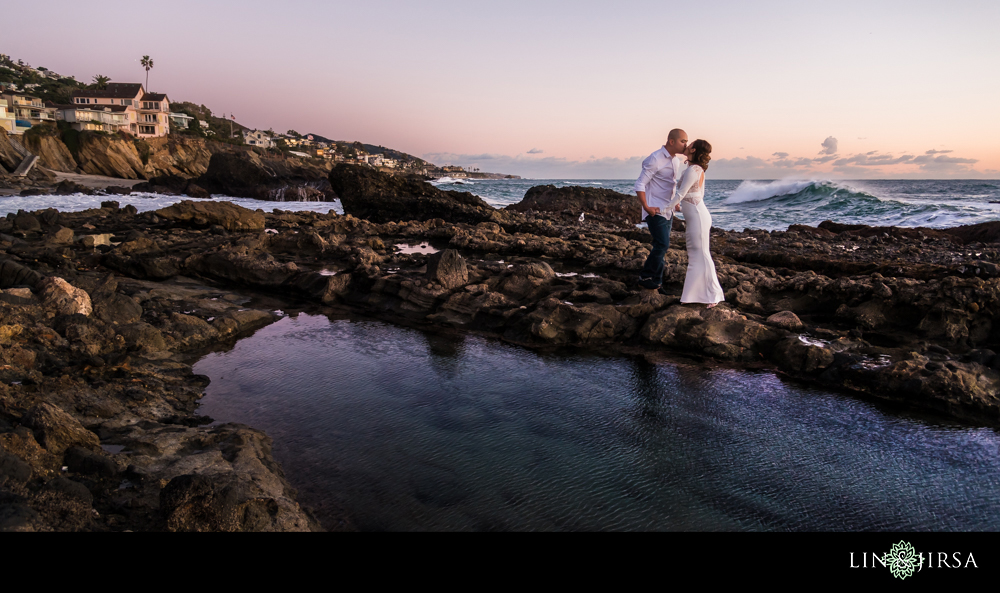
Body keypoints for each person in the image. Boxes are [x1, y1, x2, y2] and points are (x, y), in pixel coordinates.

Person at [669, 139, 725, 307]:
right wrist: (679, 207)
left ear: (694, 150)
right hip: (696, 214)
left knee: (701, 254)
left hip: (698, 217)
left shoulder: (694, 169)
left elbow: (681, 193)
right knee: (695, 255)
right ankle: (694, 296)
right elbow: (696, 196)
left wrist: (664, 208)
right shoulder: (693, 169)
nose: (686, 146)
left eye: (689, 144)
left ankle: (713, 296)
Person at [634, 129, 688, 291]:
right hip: (655, 209)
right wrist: (646, 207)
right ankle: (645, 277)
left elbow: (669, 185)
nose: (686, 144)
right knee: (662, 244)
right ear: (671, 141)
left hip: (668, 210)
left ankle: (656, 282)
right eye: (683, 141)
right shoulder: (655, 158)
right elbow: (640, 184)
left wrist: (674, 204)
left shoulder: (675, 161)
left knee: (662, 246)